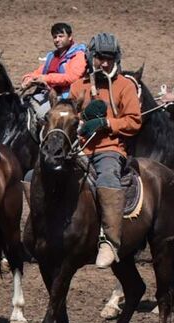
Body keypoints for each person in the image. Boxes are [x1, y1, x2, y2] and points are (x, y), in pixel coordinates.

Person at [71, 33, 140, 269]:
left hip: (110, 149)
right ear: (92, 57)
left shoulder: (125, 86)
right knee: (36, 175)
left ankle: (109, 241)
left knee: (108, 176)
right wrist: (81, 122)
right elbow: (69, 117)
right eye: (101, 57)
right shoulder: (77, 86)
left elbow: (134, 121)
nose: (105, 63)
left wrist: (108, 123)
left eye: (110, 58)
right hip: (79, 148)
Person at [21, 21, 89, 112]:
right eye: (55, 37)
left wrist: (46, 79)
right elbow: (40, 72)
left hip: (68, 97)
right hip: (50, 94)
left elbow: (72, 77)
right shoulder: (53, 56)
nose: (57, 40)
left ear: (70, 37)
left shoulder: (78, 55)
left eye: (61, 36)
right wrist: (28, 78)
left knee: (41, 113)